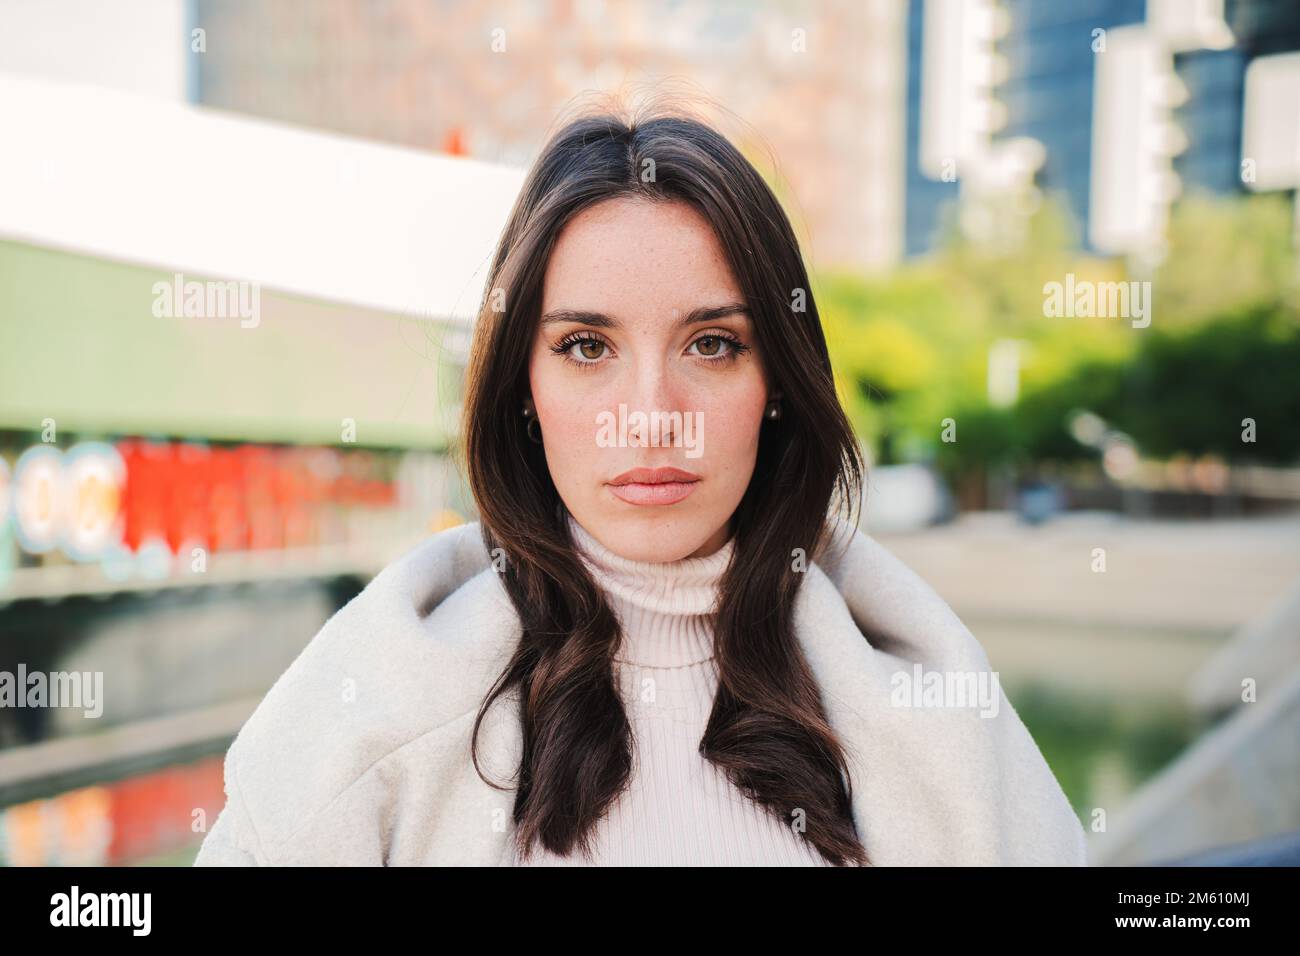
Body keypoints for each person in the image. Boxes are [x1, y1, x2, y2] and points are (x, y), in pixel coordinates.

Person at [194, 100, 1087, 867]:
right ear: (523, 390)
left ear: (777, 383)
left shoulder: (931, 697)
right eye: (588, 347)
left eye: (712, 344)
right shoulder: (379, 704)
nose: (653, 414)